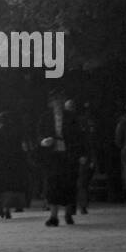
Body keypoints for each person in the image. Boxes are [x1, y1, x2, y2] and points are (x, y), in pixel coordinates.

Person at [38, 93, 85, 226]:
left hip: (68, 155)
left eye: (60, 101)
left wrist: (81, 154)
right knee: (52, 185)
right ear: (51, 103)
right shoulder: (45, 118)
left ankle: (68, 213)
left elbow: (79, 137)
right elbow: (39, 134)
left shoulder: (71, 117)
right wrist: (43, 141)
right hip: (52, 156)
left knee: (69, 184)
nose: (57, 104)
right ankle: (53, 216)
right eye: (55, 101)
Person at [0, 108, 29, 219]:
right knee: (12, 186)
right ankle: (10, 207)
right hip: (15, 162)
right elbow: (23, 148)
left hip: (1, 162)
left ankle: (1, 207)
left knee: (1, 186)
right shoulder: (17, 132)